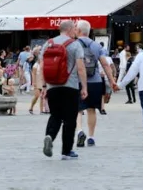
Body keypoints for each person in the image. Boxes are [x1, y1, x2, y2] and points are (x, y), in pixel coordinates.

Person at [42, 20, 88, 160]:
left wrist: (44, 86)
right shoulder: (75, 45)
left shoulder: (48, 44)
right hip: (70, 86)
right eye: (74, 29)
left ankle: (49, 136)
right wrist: (84, 87)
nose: (75, 31)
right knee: (70, 118)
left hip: (52, 86)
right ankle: (66, 151)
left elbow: (42, 67)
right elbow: (80, 68)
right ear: (69, 29)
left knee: (55, 115)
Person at [74, 20, 118, 147]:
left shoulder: (73, 45)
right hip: (95, 81)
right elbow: (105, 64)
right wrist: (112, 81)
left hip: (78, 81)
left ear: (79, 31)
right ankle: (91, 137)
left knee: (77, 109)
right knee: (91, 109)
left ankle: (79, 131)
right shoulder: (97, 46)